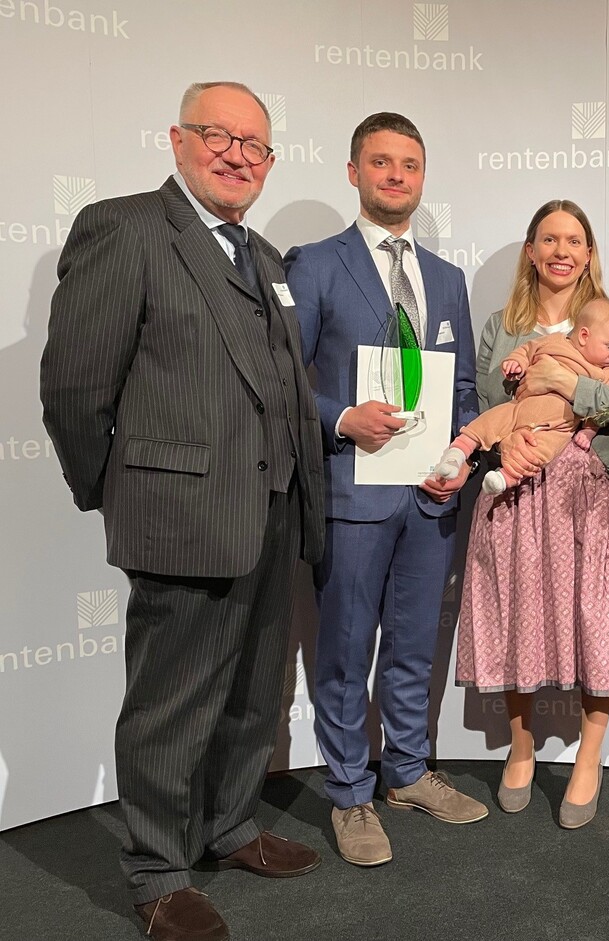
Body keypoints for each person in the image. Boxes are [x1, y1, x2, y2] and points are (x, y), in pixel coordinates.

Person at [40, 82, 326, 941]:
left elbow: (282, 387)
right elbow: (74, 387)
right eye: (220, 135)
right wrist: (119, 488)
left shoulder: (265, 258)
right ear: (176, 138)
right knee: (170, 704)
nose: (239, 154)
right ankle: (157, 869)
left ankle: (230, 824)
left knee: (251, 693)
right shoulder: (124, 228)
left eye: (257, 145)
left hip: (271, 511)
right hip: (182, 516)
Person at [284, 112, 485, 869]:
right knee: (343, 649)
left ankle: (407, 771)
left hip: (430, 497)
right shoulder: (318, 265)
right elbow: (281, 380)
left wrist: (464, 447)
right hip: (352, 494)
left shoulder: (447, 278)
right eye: (381, 162)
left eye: (409, 164)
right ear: (353, 172)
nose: (396, 175)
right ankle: (349, 791)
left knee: (413, 647)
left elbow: (462, 385)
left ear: (422, 177)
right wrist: (339, 416)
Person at [456, 199, 609, 830]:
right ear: (532, 251)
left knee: (597, 618)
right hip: (519, 494)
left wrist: (573, 388)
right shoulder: (500, 327)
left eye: (574, 240)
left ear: (589, 253)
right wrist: (501, 440)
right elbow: (485, 400)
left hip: (596, 491)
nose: (561, 251)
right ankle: (521, 747)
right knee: (521, 615)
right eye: (549, 239)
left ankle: (589, 758)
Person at [435, 297, 609, 495]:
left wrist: (589, 431)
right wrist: (516, 363)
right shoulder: (556, 342)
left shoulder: (606, 372)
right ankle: (458, 451)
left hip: (557, 427)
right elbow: (528, 350)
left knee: (541, 451)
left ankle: (505, 478)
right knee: (490, 421)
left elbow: (604, 409)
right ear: (584, 336)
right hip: (521, 407)